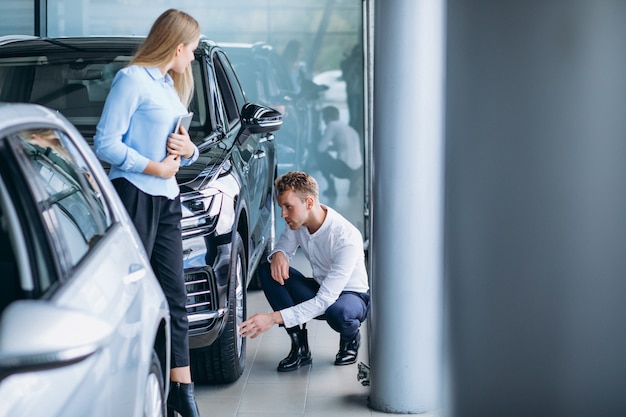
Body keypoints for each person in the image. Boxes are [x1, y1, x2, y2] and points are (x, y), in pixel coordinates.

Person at [93, 9, 201, 417]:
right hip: (135, 194)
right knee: (133, 298)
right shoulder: (132, 79)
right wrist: (154, 166)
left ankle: (182, 393)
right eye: (191, 50)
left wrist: (186, 151)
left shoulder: (170, 87)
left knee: (175, 296)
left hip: (167, 198)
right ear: (176, 47)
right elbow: (106, 143)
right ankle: (131, 387)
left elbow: (181, 145)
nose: (192, 58)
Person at [239, 171, 370, 372]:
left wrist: (272, 318)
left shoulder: (346, 237)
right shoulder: (298, 222)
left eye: (288, 207)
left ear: (309, 203)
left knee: (339, 312)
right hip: (319, 288)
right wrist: (279, 253)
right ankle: (299, 347)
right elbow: (284, 244)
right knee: (268, 271)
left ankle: (350, 338)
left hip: (351, 296)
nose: (283, 214)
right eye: (281, 207)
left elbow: (325, 300)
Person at [316, 105, 363, 197]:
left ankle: (331, 188)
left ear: (328, 118)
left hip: (344, 169)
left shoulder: (332, 125)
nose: (324, 122)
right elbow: (344, 147)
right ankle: (353, 185)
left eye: (324, 119)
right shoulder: (349, 129)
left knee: (320, 156)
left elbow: (320, 148)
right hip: (358, 170)